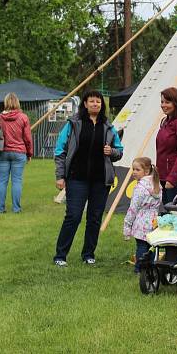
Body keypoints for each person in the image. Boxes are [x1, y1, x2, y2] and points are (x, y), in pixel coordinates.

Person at [53, 90, 123, 267]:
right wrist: (60, 176)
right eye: (91, 101)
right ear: (85, 104)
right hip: (77, 177)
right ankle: (60, 255)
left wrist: (112, 152)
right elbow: (60, 151)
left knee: (94, 217)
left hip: (100, 179)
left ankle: (88, 254)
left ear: (102, 105)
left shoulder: (108, 126)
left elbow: (119, 150)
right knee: (73, 216)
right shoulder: (73, 124)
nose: (95, 104)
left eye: (98, 102)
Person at [0, 93, 33, 214]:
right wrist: (29, 153)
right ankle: (16, 208)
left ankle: (0, 208)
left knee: (2, 181)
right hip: (19, 152)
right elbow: (28, 138)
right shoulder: (23, 117)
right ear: (17, 102)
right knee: (17, 181)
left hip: (2, 152)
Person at [123, 157, 161, 273]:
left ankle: (139, 269)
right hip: (154, 220)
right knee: (151, 246)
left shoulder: (140, 188)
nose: (134, 172)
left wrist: (127, 225)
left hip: (141, 220)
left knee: (141, 246)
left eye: (137, 169)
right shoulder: (157, 184)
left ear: (146, 171)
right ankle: (152, 267)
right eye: (133, 169)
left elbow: (133, 208)